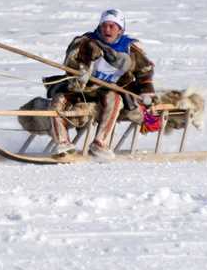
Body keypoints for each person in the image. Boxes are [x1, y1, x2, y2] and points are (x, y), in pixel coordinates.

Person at [47, 9, 156, 159]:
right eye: (104, 25)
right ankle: (63, 143)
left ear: (120, 29)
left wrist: (146, 91)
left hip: (108, 89)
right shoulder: (85, 42)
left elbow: (144, 71)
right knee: (58, 100)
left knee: (115, 99)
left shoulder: (130, 48)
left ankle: (100, 143)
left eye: (112, 26)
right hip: (81, 89)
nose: (107, 29)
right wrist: (80, 71)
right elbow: (70, 61)